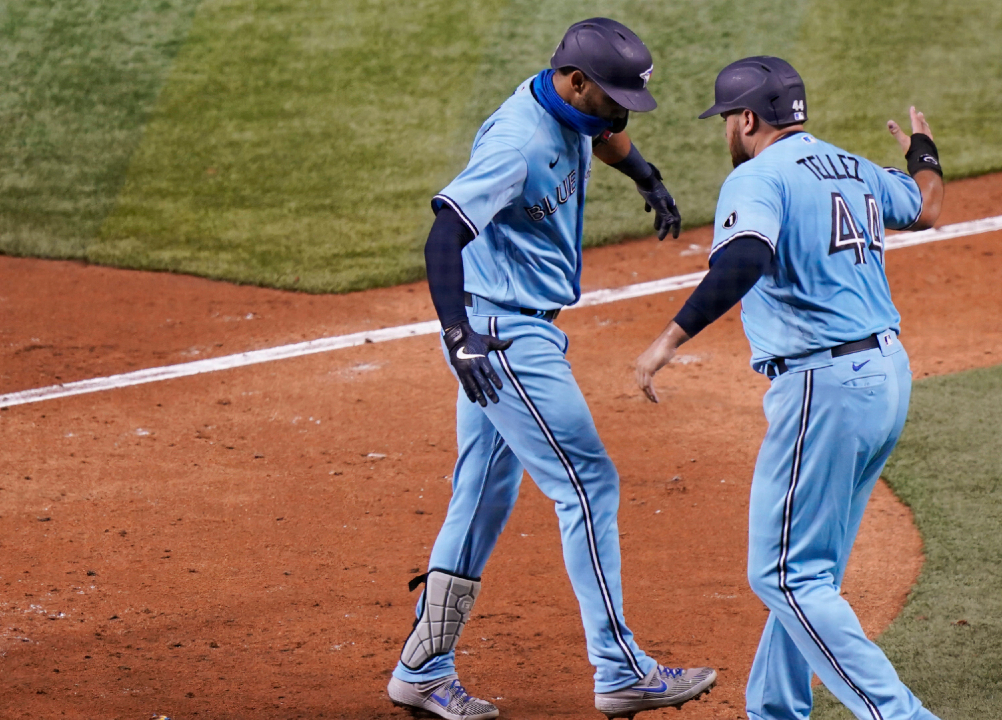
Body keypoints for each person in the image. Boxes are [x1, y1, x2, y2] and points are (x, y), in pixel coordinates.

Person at [387, 18, 716, 720]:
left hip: (510, 325)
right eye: (613, 93)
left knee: (481, 499)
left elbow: (605, 132)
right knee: (587, 483)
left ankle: (422, 669)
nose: (623, 108)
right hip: (504, 338)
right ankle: (620, 668)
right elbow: (444, 229)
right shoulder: (516, 141)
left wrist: (644, 174)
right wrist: (458, 336)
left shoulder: (571, 105)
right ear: (575, 81)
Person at [634, 56, 945, 720]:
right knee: (811, 571)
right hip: (885, 377)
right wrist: (924, 152)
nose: (725, 133)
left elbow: (745, 259)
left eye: (726, 120)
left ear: (748, 119)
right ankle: (775, 709)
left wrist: (667, 341)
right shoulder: (854, 166)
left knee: (783, 575)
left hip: (823, 387)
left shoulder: (759, 177)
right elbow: (924, 207)